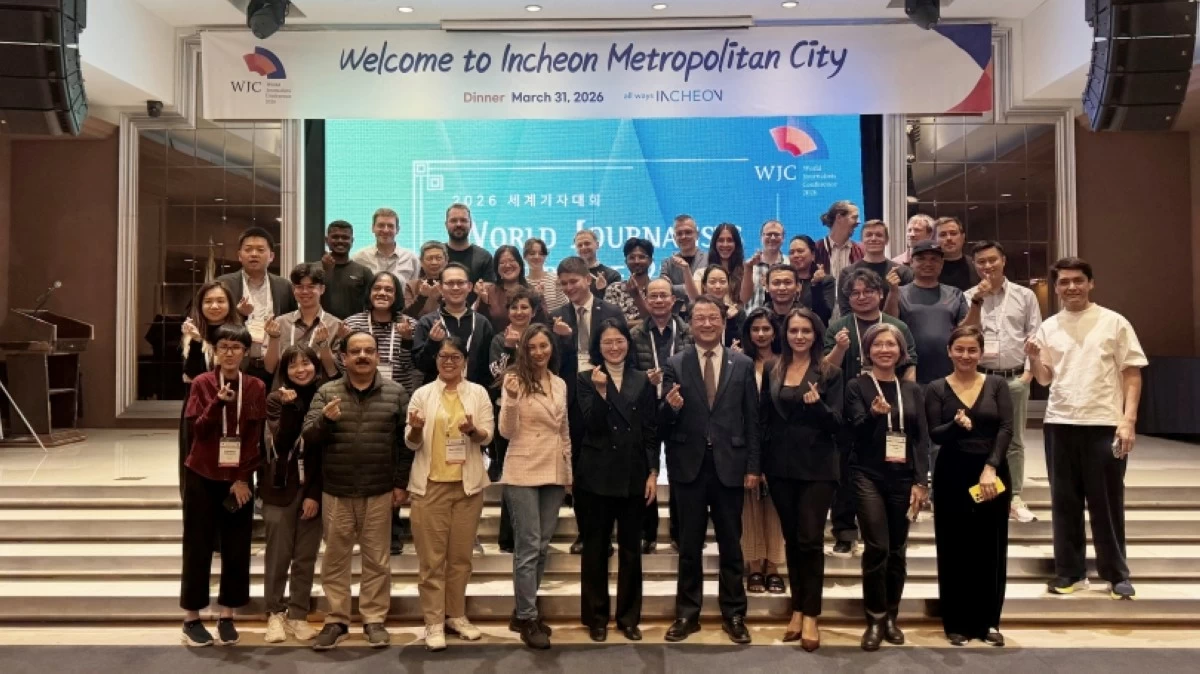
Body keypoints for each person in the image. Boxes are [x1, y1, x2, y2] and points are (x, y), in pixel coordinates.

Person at [1028, 257, 1147, 600]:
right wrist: (1034, 357)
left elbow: (1132, 373)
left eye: (1078, 280)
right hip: (1060, 423)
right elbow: (1044, 379)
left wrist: (1128, 420)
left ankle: (1116, 574)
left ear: (1090, 283)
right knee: (1064, 503)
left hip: (1104, 423)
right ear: (1056, 288)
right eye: (1064, 282)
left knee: (1107, 503)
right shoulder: (1049, 326)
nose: (1071, 287)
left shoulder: (1114, 322)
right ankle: (1070, 573)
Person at [303, 331, 412, 651]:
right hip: (336, 491)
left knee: (377, 560)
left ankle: (373, 619)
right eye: (355, 351)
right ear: (344, 358)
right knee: (335, 560)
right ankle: (336, 619)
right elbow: (309, 436)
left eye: (368, 351)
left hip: (379, 491)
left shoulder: (396, 393)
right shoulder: (327, 392)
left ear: (377, 355)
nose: (362, 356)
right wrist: (325, 421)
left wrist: (400, 484)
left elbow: (406, 445)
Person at [660, 295, 759, 645]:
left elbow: (752, 420)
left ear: (723, 321)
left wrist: (753, 466)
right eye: (699, 317)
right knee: (689, 546)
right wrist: (670, 408)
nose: (706, 323)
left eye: (712, 317)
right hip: (689, 467)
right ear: (691, 323)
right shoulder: (675, 363)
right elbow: (662, 422)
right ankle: (687, 614)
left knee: (731, 544)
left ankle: (734, 614)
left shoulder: (742, 363)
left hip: (730, 467)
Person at [404, 336, 495, 651]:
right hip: (430, 487)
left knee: (460, 558)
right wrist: (416, 427)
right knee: (432, 561)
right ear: (436, 360)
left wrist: (472, 431)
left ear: (464, 361)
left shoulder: (478, 393)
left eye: (455, 357)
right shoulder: (422, 394)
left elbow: (487, 436)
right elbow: (411, 442)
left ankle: (455, 615)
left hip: (467, 487)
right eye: (443, 356)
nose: (449, 362)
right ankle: (433, 621)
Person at [761, 308, 844, 652]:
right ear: (785, 334)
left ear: (816, 335)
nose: (799, 336)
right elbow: (764, 418)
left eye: (806, 331)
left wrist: (818, 406)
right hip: (780, 467)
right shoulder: (773, 368)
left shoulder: (830, 372)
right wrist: (758, 465)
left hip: (817, 468)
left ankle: (811, 614)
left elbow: (838, 423)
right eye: (794, 330)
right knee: (793, 541)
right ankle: (797, 608)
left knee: (810, 540)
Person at [845, 324, 930, 652]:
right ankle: (875, 618)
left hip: (903, 477)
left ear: (900, 351)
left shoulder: (912, 390)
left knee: (897, 549)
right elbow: (853, 432)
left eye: (890, 344)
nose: (884, 350)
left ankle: (892, 615)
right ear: (868, 350)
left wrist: (922, 481)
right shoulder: (858, 386)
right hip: (867, 475)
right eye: (878, 344)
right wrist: (872, 414)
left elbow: (920, 439)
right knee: (877, 546)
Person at [926, 326, 1012, 647]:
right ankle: (956, 622)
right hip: (952, 473)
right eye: (959, 349)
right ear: (949, 351)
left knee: (990, 545)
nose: (965, 355)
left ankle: (989, 621)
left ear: (981, 353)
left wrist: (991, 467)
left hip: (991, 472)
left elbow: (1006, 429)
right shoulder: (936, 388)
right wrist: (955, 425)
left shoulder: (997, 385)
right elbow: (935, 433)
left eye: (972, 350)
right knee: (954, 546)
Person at [179, 324, 264, 647]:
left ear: (245, 353)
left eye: (236, 347)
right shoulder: (202, 383)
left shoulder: (255, 386)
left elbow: (254, 438)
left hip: (238, 479)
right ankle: (191, 617)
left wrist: (242, 478)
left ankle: (227, 614)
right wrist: (217, 403)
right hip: (202, 474)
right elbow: (198, 432)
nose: (229, 353)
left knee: (237, 546)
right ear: (214, 351)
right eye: (224, 347)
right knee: (197, 545)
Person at [824, 269, 919, 558]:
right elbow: (827, 370)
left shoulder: (896, 326)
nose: (862, 297)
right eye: (855, 293)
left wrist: (908, 403)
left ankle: (879, 531)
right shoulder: (838, 326)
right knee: (845, 471)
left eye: (868, 291)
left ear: (880, 293)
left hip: (891, 408)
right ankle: (844, 531)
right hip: (848, 408)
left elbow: (910, 365)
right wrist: (840, 348)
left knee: (884, 468)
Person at [574, 319, 658, 642]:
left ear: (628, 343)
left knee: (631, 551)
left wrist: (653, 472)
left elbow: (650, 431)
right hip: (596, 475)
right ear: (598, 346)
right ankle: (596, 617)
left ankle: (628, 618)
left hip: (633, 474)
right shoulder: (586, 379)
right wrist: (601, 392)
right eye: (607, 342)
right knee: (595, 549)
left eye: (619, 341)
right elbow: (591, 426)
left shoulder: (642, 379)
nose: (614, 347)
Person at [498, 324, 572, 650]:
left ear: (551, 348)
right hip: (522, 469)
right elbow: (505, 431)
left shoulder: (559, 383)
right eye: (533, 347)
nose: (539, 352)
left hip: (554, 469)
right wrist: (512, 399)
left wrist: (568, 472)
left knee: (541, 546)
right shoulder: (514, 380)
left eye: (544, 346)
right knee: (528, 546)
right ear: (524, 350)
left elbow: (564, 430)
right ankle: (528, 617)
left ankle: (521, 611)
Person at [551, 256, 628, 554]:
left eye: (574, 281)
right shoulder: (556, 316)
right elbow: (552, 362)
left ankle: (607, 534)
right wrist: (565, 341)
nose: (569, 288)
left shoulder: (610, 310)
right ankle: (585, 533)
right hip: (572, 401)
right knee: (580, 470)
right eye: (564, 284)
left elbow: (621, 352)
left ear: (587, 279)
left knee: (607, 467)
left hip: (606, 396)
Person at [962, 240, 1042, 524]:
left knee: (1014, 440)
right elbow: (966, 334)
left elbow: (1035, 334)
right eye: (981, 262)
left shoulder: (1024, 295)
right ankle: (980, 493)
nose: (987, 266)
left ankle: (1015, 496)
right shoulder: (968, 296)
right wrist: (977, 301)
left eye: (992, 260)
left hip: (1014, 377)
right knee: (977, 437)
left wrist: (1027, 376)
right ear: (975, 266)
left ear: (1003, 261)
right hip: (980, 378)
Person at [343, 270, 421, 555]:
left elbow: (415, 367)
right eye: (378, 288)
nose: (383, 294)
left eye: (389, 289)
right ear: (370, 292)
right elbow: (342, 364)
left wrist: (408, 341)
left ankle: (392, 530)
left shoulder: (409, 324)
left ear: (397, 295)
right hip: (359, 400)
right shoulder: (352, 323)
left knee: (394, 464)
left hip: (396, 401)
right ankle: (359, 529)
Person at [261, 344, 326, 644]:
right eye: (293, 365)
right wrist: (290, 408)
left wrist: (314, 494)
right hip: (279, 487)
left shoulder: (325, 398)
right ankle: (275, 613)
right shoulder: (276, 399)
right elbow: (282, 444)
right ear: (285, 371)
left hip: (313, 488)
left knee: (305, 556)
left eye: (306, 363)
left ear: (316, 366)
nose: (301, 370)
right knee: (278, 556)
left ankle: (298, 614)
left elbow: (324, 452)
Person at [630, 278, 693, 553]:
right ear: (646, 300)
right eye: (653, 296)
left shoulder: (688, 332)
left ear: (673, 300)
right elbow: (628, 372)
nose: (658, 300)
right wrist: (644, 379)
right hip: (646, 407)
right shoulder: (635, 334)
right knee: (646, 468)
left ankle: (680, 531)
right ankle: (648, 532)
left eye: (663, 296)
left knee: (681, 469)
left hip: (679, 407)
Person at [486, 289, 541, 553]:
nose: (519, 312)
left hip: (538, 413)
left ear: (534, 311)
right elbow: (497, 374)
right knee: (512, 475)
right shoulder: (499, 339)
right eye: (514, 308)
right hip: (507, 412)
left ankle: (534, 534)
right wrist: (509, 348)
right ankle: (508, 537)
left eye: (524, 307)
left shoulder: (541, 337)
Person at [736, 308, 785, 597]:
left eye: (766, 328)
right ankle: (754, 564)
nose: (761, 334)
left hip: (778, 444)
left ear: (775, 332)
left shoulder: (785, 362)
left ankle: (774, 566)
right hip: (746, 442)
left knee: (776, 507)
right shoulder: (740, 362)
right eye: (755, 329)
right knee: (749, 505)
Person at [179, 281, 242, 500]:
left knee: (231, 466)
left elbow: (232, 371)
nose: (214, 306)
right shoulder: (190, 333)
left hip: (232, 405)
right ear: (200, 305)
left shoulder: (239, 332)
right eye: (208, 301)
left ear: (230, 304)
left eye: (220, 301)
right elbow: (192, 375)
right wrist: (197, 342)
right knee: (197, 468)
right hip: (198, 407)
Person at [216, 227, 297, 388]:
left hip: (273, 364)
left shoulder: (284, 286)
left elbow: (291, 323)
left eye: (260, 250)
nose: (254, 254)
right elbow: (213, 321)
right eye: (248, 250)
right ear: (239, 255)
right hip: (235, 362)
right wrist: (239, 314)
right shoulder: (223, 284)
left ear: (271, 256)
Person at [897, 241, 968, 384]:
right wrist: (892, 292)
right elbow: (889, 325)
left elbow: (966, 331)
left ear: (942, 264)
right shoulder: (898, 294)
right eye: (921, 259)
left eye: (934, 259)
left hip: (948, 373)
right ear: (911, 262)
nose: (928, 263)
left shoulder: (955, 293)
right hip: (909, 373)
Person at [413, 263, 495, 387]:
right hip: (437, 393)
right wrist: (433, 343)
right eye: (450, 283)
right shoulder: (427, 322)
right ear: (440, 288)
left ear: (469, 286)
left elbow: (489, 367)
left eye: (460, 283)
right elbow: (420, 365)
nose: (456, 288)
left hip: (474, 393)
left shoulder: (482, 323)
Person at [264, 264, 346, 381]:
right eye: (299, 287)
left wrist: (323, 345)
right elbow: (269, 368)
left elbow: (332, 371)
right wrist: (273, 338)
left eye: (311, 286)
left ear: (322, 289)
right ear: (293, 289)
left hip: (321, 389)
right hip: (284, 388)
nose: (305, 291)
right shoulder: (279, 323)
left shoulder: (336, 325)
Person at [836, 220, 913, 317]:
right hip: (857, 326)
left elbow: (907, 310)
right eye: (868, 235)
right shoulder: (847, 273)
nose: (873, 239)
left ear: (886, 240)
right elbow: (846, 312)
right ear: (862, 240)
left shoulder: (902, 272)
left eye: (879, 235)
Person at [475, 244, 548, 334]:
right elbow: (479, 325)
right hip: (496, 342)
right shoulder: (488, 292)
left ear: (520, 264)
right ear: (496, 268)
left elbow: (543, 325)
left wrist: (539, 298)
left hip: (527, 341)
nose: (507, 265)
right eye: (502, 263)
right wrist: (483, 302)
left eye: (512, 261)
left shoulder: (531, 291)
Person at [318, 220, 372, 320]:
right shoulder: (314, 270)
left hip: (354, 327)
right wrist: (325, 272)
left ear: (352, 241)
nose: (340, 241)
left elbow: (371, 305)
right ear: (326, 240)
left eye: (345, 238)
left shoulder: (364, 272)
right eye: (335, 237)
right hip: (321, 326)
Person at [351, 207, 420, 283]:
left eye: (390, 226)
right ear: (373, 228)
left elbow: (414, 289)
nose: (386, 230)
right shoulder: (358, 258)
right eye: (381, 225)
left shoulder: (411, 259)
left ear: (397, 230)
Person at [444, 203, 494, 304]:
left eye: (463, 220)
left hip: (475, 313)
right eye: (453, 220)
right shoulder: (436, 256)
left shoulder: (484, 257)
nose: (458, 224)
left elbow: (489, 296)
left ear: (470, 224)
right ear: (446, 225)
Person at [604, 237, 656, 329]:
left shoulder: (657, 288)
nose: (637, 261)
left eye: (641, 257)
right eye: (632, 257)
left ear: (650, 261)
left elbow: (658, 322)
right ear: (626, 262)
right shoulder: (614, 289)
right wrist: (645, 322)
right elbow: (611, 323)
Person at [689, 223, 745, 306]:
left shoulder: (746, 273)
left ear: (736, 244)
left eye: (730, 240)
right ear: (714, 244)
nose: (725, 244)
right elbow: (696, 303)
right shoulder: (701, 274)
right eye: (721, 240)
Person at [787, 235, 835, 325]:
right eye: (791, 252)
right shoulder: (785, 281)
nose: (795, 255)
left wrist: (816, 285)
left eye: (800, 251)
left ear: (813, 255)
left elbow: (824, 315)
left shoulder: (826, 281)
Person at [813, 200, 864, 281]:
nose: (859, 222)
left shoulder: (861, 251)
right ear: (839, 218)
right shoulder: (815, 249)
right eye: (854, 217)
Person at [740, 219, 787, 309]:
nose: (772, 238)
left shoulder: (789, 264)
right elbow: (744, 299)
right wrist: (748, 269)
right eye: (768, 234)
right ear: (761, 237)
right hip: (754, 316)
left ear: (783, 238)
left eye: (777, 234)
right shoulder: (748, 265)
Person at [659, 214, 708, 298]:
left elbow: (709, 290)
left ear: (697, 235)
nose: (683, 237)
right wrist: (694, 287)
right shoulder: (667, 263)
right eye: (679, 233)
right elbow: (664, 290)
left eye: (688, 232)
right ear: (674, 237)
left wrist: (674, 288)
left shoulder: (709, 259)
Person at [403, 241, 450, 321]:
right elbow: (407, 315)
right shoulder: (411, 286)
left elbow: (458, 310)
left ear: (446, 261)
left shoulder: (454, 285)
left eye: (438, 258)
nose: (434, 262)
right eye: (429, 258)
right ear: (421, 262)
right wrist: (422, 297)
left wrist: (440, 297)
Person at [701, 265, 745, 347]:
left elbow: (741, 343)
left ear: (728, 285)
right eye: (712, 282)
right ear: (704, 286)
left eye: (722, 282)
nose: (718, 286)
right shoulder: (697, 312)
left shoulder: (738, 313)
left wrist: (731, 321)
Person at [524, 237, 568, 313]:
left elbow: (565, 307)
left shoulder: (555, 279)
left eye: (541, 254)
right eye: (532, 253)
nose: (537, 257)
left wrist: (560, 290)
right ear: (525, 256)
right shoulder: (522, 283)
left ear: (545, 256)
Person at [574, 228, 622, 299]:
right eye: (579, 245)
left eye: (587, 243)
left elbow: (615, 304)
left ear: (597, 245)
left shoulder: (612, 276)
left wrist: (603, 290)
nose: (583, 247)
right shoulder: (571, 276)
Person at [934, 217, 979, 292]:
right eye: (943, 235)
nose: (949, 238)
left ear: (963, 237)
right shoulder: (929, 267)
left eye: (953, 233)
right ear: (935, 240)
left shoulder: (976, 266)